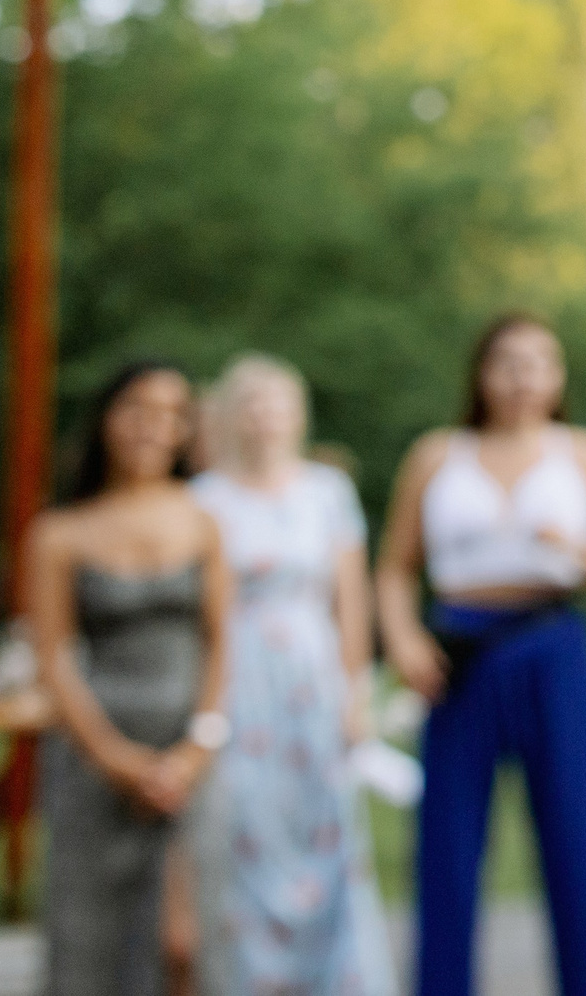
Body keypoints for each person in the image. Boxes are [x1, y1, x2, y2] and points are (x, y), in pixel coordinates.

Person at [376, 315, 586, 996]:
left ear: (558, 375)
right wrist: (404, 638)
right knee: (449, 844)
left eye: (539, 362)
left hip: (553, 644)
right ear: (482, 373)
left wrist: (574, 550)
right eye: (508, 362)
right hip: (460, 646)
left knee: (574, 835)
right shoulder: (438, 454)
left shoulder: (583, 453)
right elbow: (395, 567)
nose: (523, 378)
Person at [189, 354, 394, 996]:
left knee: (327, 825)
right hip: (240, 681)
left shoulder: (326, 492)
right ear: (227, 414)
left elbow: (350, 601)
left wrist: (355, 692)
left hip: (313, 675)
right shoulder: (205, 498)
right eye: (250, 402)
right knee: (247, 827)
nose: (264, 416)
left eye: (276, 402)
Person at [28, 360, 233, 996]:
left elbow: (221, 640)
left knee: (187, 945)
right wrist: (115, 759)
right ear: (107, 419)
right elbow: (53, 656)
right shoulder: (59, 532)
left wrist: (198, 747)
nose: (154, 427)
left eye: (173, 414)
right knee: (89, 940)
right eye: (139, 409)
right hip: (96, 753)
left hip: (189, 751)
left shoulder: (204, 519)